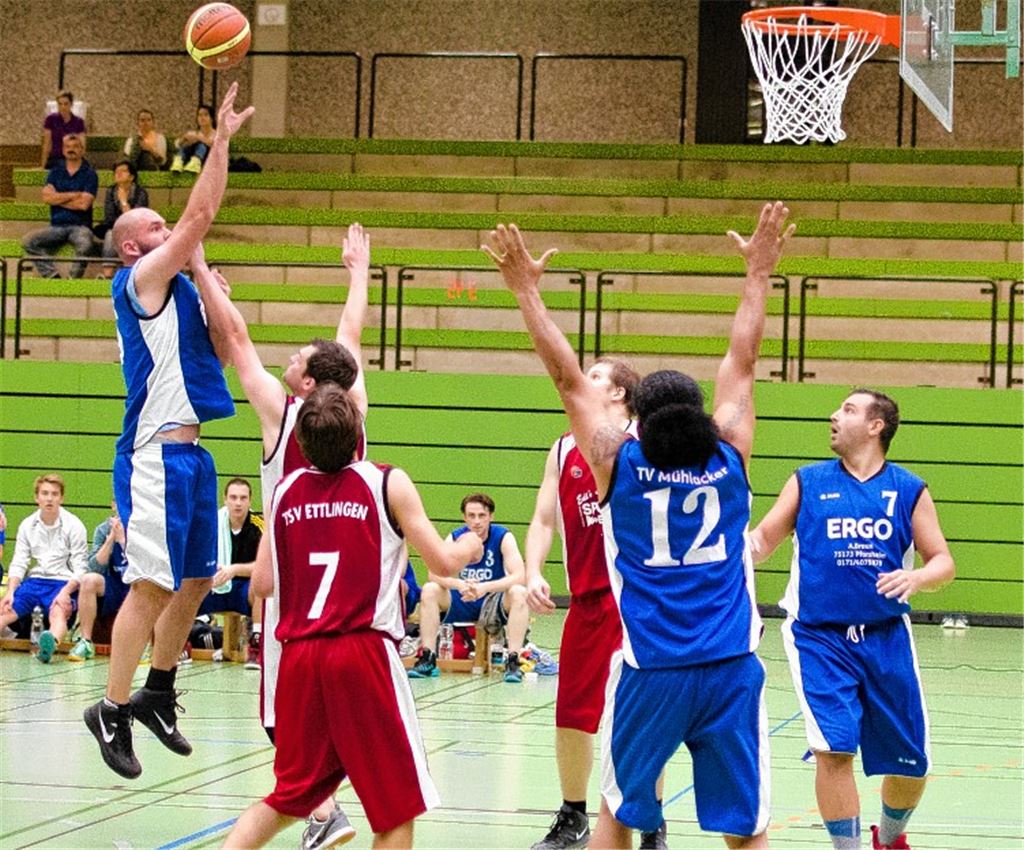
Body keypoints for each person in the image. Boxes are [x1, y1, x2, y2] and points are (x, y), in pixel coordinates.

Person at [484, 204, 794, 849]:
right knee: (747, 831)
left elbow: (567, 379)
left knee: (618, 815)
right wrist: (758, 273)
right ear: (704, 416)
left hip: (652, 667)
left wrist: (526, 292)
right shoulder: (730, 456)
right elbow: (743, 359)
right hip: (731, 667)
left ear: (638, 420)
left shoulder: (616, 463)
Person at [221, 383, 484, 850]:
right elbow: (442, 563)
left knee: (288, 798)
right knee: (396, 808)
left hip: (300, 659)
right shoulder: (385, 482)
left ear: (302, 443)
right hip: (361, 651)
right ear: (358, 431)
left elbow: (261, 583)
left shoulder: (284, 491)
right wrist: (468, 545)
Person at [82, 82, 254, 781]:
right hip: (153, 454)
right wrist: (221, 141)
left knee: (197, 579)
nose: (171, 231)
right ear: (134, 247)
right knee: (152, 584)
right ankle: (111, 707)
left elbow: (229, 345)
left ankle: (157, 689)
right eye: (157, 228)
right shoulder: (139, 283)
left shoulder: (182, 286)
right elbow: (200, 214)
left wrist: (206, 274)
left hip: (195, 456)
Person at [191, 221, 370, 847]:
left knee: (278, 715)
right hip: (349, 590)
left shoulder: (283, 414)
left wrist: (200, 266)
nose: (287, 359)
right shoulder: (355, 413)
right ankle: (328, 809)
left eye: (296, 359)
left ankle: (323, 811)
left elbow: (238, 338)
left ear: (307, 384)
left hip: (292, 588)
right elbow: (350, 337)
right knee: (329, 706)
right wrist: (358, 275)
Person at [750, 389, 955, 850]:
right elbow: (762, 541)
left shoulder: (908, 489)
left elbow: (943, 561)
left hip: (887, 636)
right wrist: (723, 550)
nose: (834, 415)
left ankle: (891, 837)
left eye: (848, 410)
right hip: (818, 637)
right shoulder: (807, 481)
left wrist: (918, 577)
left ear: (876, 426)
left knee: (912, 763)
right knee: (834, 748)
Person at [524, 358, 670, 850]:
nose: (583, 382)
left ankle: (651, 823)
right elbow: (543, 519)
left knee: (643, 717)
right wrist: (532, 571)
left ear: (620, 393)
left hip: (638, 601)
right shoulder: (563, 447)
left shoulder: (645, 444)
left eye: (595, 377)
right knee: (571, 716)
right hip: (586, 602)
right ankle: (573, 815)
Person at [408, 493, 530, 683]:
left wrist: (484, 587)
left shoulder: (503, 536)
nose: (477, 521)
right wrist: (459, 584)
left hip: (491, 599)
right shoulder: (456, 537)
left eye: (482, 515)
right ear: (464, 518)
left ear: (491, 516)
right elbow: (433, 573)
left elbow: (519, 576)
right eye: (471, 516)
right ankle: (428, 657)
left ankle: (513, 661)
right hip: (462, 598)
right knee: (430, 589)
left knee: (519, 592)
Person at [0, 474, 88, 663]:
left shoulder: (74, 525)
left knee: (58, 612)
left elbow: (81, 567)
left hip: (63, 582)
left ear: (61, 498)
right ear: (36, 497)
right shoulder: (27, 525)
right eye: (45, 493)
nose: (49, 498)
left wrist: (66, 592)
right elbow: (19, 562)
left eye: (54, 494)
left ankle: (49, 645)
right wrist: (10, 591)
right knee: (7, 610)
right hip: (35, 581)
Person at [198, 477, 265, 669]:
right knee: (185, 589)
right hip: (214, 586)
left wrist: (234, 570)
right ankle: (178, 646)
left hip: (243, 589)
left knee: (261, 587)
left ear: (250, 501)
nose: (238, 503)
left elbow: (265, 567)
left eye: (243, 498)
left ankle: (256, 645)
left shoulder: (258, 525)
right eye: (233, 497)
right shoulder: (212, 525)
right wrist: (210, 572)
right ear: (225, 499)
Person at [22, 134, 97, 279]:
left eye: (75, 147)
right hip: (56, 227)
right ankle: (52, 275)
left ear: (82, 150)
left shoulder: (90, 174)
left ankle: (72, 280)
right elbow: (47, 198)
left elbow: (84, 205)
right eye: (68, 147)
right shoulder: (55, 172)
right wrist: (73, 195)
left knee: (85, 244)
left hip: (80, 226)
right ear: (63, 150)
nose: (71, 149)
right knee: (28, 241)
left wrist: (57, 198)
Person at [68, 501, 132, 662]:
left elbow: (144, 567)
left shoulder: (142, 529)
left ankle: (145, 645)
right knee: (88, 580)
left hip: (136, 585)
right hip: (114, 586)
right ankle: (85, 642)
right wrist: (110, 540)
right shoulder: (103, 529)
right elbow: (94, 567)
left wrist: (123, 542)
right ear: (113, 506)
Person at [97, 159, 150, 276]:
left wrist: (124, 202)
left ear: (131, 177)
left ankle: (135, 274)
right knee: (110, 235)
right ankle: (107, 275)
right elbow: (109, 217)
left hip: (136, 229)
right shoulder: (111, 191)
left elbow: (137, 219)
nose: (118, 174)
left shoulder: (141, 193)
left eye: (123, 171)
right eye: (116, 172)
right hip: (115, 227)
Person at [41, 89, 86, 169]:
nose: (63, 107)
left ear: (71, 104)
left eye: (66, 104)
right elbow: (47, 144)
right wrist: (43, 165)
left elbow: (82, 144)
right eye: (60, 104)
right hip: (56, 158)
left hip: (73, 158)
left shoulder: (79, 122)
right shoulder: (51, 119)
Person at [171, 104, 216, 173]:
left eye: (206, 115)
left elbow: (216, 146)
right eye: (200, 115)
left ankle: (196, 161)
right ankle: (179, 161)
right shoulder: (193, 133)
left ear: (212, 118)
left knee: (201, 144)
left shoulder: (217, 134)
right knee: (187, 144)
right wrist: (184, 139)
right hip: (189, 160)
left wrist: (199, 138)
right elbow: (177, 145)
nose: (202, 118)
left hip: (208, 161)